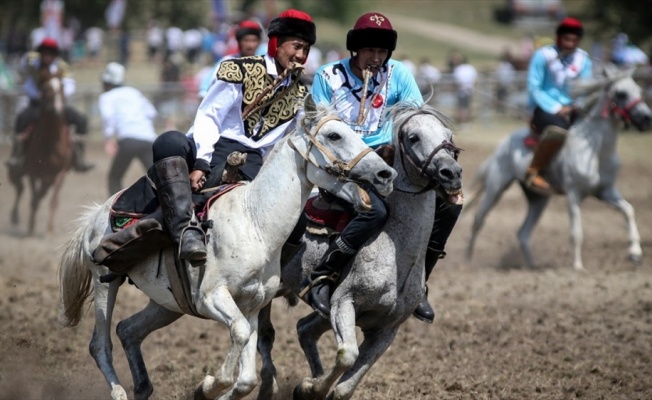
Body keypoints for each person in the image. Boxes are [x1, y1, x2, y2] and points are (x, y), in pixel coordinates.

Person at [98, 9, 316, 267]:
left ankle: (275, 278)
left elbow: (292, 140)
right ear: (276, 42)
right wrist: (201, 161)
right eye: (296, 46)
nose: (301, 56)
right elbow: (209, 116)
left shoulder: (302, 91)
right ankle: (182, 230)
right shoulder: (238, 69)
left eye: (306, 49)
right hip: (214, 146)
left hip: (255, 162)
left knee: (296, 222)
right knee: (169, 141)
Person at [302, 12, 463, 324]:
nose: (376, 58)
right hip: (342, 161)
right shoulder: (328, 76)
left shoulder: (398, 73)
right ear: (355, 50)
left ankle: (419, 284)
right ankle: (322, 277)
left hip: (388, 158)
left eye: (381, 51)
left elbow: (414, 115)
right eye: (369, 51)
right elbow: (318, 125)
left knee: (450, 207)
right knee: (375, 211)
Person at [6, 37, 94, 174]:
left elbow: (70, 84)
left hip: (58, 102)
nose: (47, 56)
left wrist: (59, 93)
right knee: (21, 119)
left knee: (81, 120)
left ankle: (80, 157)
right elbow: (29, 85)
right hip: (38, 105)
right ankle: (17, 155)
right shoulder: (33, 66)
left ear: (54, 55)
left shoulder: (62, 67)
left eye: (50, 53)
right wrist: (38, 95)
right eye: (44, 53)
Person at [525, 17, 592, 194]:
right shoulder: (543, 55)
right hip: (545, 109)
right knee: (558, 130)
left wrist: (577, 105)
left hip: (574, 108)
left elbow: (586, 88)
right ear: (559, 38)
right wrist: (557, 108)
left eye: (574, 40)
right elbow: (534, 87)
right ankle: (533, 171)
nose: (570, 44)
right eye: (566, 39)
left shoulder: (583, 59)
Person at [98, 62, 158, 196]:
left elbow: (108, 117)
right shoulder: (134, 92)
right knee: (157, 179)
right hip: (148, 139)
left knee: (114, 178)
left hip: (128, 140)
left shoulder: (106, 97)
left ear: (107, 82)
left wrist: (108, 138)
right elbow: (152, 112)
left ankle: (118, 212)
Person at [197, 19, 263, 99]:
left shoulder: (264, 63)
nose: (250, 45)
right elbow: (206, 88)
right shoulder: (228, 61)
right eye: (246, 40)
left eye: (254, 41)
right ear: (238, 42)